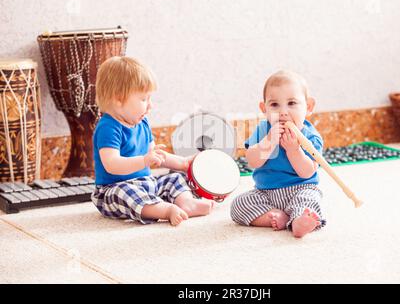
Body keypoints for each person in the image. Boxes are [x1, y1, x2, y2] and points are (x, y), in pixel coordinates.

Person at [91, 56, 213, 226]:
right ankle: (165, 210)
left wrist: (183, 163)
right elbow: (112, 164)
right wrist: (144, 161)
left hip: (145, 183)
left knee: (175, 178)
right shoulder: (108, 127)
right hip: (112, 190)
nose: (150, 106)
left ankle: (187, 202)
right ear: (118, 99)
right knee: (126, 193)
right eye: (143, 99)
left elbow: (157, 155)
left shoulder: (142, 122)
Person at [230, 70, 326, 238]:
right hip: (266, 192)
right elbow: (252, 161)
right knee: (239, 205)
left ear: (308, 107)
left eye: (292, 103)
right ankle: (276, 216)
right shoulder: (263, 130)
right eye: (274, 105)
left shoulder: (310, 137)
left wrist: (294, 150)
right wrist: (268, 142)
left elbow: (307, 172)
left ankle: (299, 222)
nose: (283, 112)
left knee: (309, 201)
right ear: (264, 108)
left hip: (301, 189)